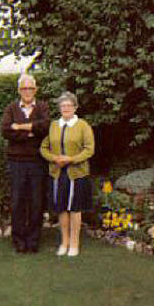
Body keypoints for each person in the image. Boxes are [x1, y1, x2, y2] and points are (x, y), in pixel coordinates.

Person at [40, 91, 95, 257]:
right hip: (58, 173)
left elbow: (89, 149)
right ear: (59, 108)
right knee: (62, 209)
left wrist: (71, 159)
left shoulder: (83, 125)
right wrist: (54, 158)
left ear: (75, 107)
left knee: (75, 208)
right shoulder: (53, 125)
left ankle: (74, 244)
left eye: (69, 105)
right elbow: (43, 148)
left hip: (76, 173)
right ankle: (64, 242)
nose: (66, 108)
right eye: (63, 105)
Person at [0, 74, 50, 253]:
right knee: (18, 201)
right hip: (17, 162)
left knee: (37, 201)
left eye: (30, 88)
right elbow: (5, 130)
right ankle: (19, 241)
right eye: (24, 88)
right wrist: (31, 131)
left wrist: (20, 127)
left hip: (38, 161)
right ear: (19, 90)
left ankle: (33, 240)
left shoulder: (43, 106)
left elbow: (45, 127)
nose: (27, 91)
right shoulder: (11, 108)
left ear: (35, 90)